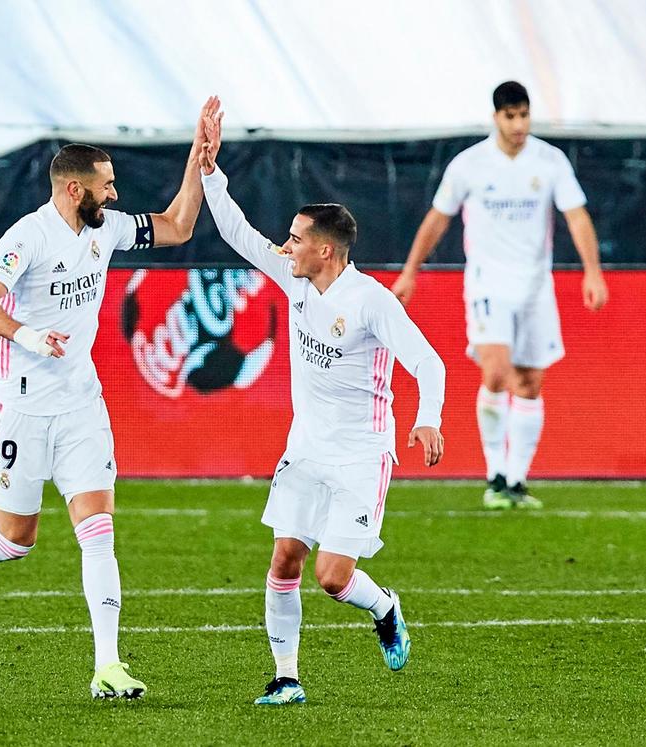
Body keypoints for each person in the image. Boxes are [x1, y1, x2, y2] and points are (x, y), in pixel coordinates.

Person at [0, 97, 220, 701]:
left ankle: (107, 666)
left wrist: (199, 158)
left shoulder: (105, 229)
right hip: (22, 408)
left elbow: (178, 225)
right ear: (74, 189)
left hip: (82, 404)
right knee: (15, 540)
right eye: (106, 186)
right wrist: (29, 335)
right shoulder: (27, 236)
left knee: (99, 529)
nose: (115, 195)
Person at [198, 105, 447, 706]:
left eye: (297, 238)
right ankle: (286, 679)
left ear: (327, 253)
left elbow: (429, 363)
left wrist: (428, 417)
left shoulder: (370, 303)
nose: (286, 244)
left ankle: (384, 606)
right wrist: (210, 171)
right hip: (306, 448)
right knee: (284, 558)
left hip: (362, 455)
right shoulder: (294, 277)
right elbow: (238, 233)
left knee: (333, 578)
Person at [392, 81, 608, 510]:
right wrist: (410, 272)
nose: (519, 124)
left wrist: (593, 271)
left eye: (524, 115)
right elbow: (438, 219)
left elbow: (577, 217)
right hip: (488, 284)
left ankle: (516, 480)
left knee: (529, 382)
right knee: (495, 372)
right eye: (510, 116)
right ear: (496, 117)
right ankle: (493, 474)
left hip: (535, 287)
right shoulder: (470, 165)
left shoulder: (550, 161)